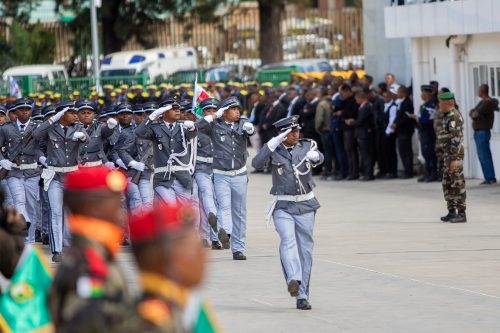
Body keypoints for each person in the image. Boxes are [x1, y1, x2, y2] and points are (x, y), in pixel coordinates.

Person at [252, 115, 323, 310]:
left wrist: (317, 158)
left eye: (297, 130)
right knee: (287, 240)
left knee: (305, 251)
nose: (296, 134)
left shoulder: (307, 145)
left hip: (306, 204)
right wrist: (272, 143)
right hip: (283, 204)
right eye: (291, 132)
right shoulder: (274, 149)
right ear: (281, 134)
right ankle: (294, 279)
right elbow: (256, 163)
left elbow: (319, 157)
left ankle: (302, 295)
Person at [49, 166, 132, 332]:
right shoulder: (89, 268)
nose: (120, 214)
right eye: (115, 204)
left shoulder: (98, 255)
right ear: (92, 208)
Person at [117, 202, 220, 333]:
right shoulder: (153, 325)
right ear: (170, 259)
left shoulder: (186, 304)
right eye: (196, 250)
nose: (204, 257)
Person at [196, 96, 255, 260]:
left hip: (240, 174)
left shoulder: (242, 123)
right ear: (224, 112)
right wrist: (214, 115)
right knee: (223, 207)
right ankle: (226, 234)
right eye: (233, 109)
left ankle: (238, 249)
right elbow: (195, 127)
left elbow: (251, 130)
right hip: (221, 174)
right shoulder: (214, 125)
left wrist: (250, 129)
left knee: (240, 213)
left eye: (238, 109)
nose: (237, 112)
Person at [33, 101, 89, 262]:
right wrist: (52, 119)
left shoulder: (77, 127)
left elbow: (88, 139)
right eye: (71, 112)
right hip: (55, 176)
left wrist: (83, 136)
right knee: (56, 212)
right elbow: (36, 134)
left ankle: (71, 247)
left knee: (71, 214)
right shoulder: (51, 128)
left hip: (72, 175)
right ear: (62, 114)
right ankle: (57, 250)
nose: (75, 115)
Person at [135, 97, 198, 205]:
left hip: (182, 177)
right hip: (163, 178)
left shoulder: (183, 127)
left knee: (184, 213)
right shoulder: (155, 128)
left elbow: (192, 135)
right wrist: (154, 115)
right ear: (164, 112)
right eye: (173, 108)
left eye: (178, 108)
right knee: (171, 210)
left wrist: (192, 129)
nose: (178, 110)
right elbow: (139, 132)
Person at [0, 98, 42, 244]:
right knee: (19, 201)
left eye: (28, 109)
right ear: (15, 112)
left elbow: (42, 147)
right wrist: (2, 160)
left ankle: (29, 241)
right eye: (21, 109)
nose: (25, 112)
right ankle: (23, 238)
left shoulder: (38, 127)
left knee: (31, 206)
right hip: (13, 172)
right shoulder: (6, 128)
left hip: (32, 172)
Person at [195, 98, 230, 250]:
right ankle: (213, 237)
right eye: (207, 111)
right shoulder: (197, 128)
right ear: (202, 113)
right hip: (201, 169)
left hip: (218, 169)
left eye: (214, 110)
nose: (211, 113)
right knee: (207, 201)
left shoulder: (222, 127)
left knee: (218, 204)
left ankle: (215, 236)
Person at [437, 92, 467, 223]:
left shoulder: (454, 116)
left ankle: (461, 213)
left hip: (454, 156)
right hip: (447, 155)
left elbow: (456, 138)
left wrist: (454, 158)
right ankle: (451, 211)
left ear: (449, 103)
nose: (439, 105)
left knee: (457, 183)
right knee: (447, 183)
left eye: (441, 103)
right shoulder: (447, 116)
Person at [119, 103, 155, 210]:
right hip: (134, 171)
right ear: (134, 116)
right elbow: (118, 151)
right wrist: (131, 163)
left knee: (149, 202)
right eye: (139, 115)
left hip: (153, 171)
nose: (142, 117)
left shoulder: (156, 130)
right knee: (136, 200)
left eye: (145, 115)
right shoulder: (127, 132)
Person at [76, 99, 117, 168]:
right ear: (77, 114)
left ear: (93, 114)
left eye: (89, 113)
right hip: (77, 166)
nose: (86, 115)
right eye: (83, 113)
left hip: (96, 166)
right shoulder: (72, 127)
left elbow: (106, 133)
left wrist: (110, 127)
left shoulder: (99, 126)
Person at [469, 84, 497, 185]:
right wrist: (473, 112)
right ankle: (488, 177)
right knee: (482, 155)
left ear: (483, 91)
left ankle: (490, 177)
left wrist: (473, 113)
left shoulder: (487, 103)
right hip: (479, 131)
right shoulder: (482, 102)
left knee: (484, 155)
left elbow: (475, 113)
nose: (477, 92)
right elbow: (472, 112)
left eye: (479, 90)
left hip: (483, 131)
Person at [347, 91, 375, 181]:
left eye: (357, 99)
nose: (356, 101)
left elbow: (361, 121)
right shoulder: (362, 107)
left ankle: (368, 174)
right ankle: (366, 172)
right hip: (361, 133)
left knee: (366, 154)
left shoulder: (366, 107)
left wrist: (351, 122)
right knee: (364, 154)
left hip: (364, 133)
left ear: (361, 98)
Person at [415, 85, 438, 182]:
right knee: (425, 153)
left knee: (430, 153)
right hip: (423, 132)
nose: (421, 95)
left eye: (423, 93)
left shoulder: (431, 106)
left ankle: (433, 173)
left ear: (428, 94)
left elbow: (429, 120)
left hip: (429, 132)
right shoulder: (423, 105)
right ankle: (427, 172)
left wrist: (418, 118)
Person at [392, 85, 415, 178]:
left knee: (406, 151)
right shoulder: (401, 103)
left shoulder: (407, 103)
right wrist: (394, 123)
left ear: (403, 93)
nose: (397, 94)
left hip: (405, 130)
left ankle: (408, 172)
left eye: (398, 92)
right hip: (400, 131)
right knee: (402, 151)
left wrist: (397, 124)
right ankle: (406, 170)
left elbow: (407, 117)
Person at [337, 84, 359, 180]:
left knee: (352, 151)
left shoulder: (354, 101)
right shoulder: (345, 101)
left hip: (351, 128)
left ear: (348, 91)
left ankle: (354, 172)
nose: (342, 95)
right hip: (345, 127)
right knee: (348, 151)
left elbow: (353, 113)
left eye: (343, 93)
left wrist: (343, 113)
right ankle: (350, 171)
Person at [314, 87, 334, 180]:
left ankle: (327, 171)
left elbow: (319, 119)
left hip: (325, 130)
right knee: (332, 152)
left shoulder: (321, 104)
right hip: (332, 130)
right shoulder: (331, 102)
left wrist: (318, 129)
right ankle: (333, 170)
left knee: (326, 152)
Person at [382, 89, 399, 179]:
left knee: (391, 152)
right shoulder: (385, 105)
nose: (384, 98)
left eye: (386, 97)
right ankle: (388, 170)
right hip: (384, 132)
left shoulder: (393, 106)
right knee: (386, 152)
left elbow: (392, 120)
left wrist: (387, 131)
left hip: (390, 132)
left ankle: (393, 171)